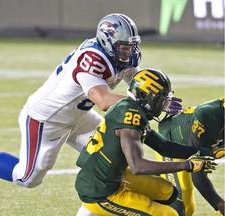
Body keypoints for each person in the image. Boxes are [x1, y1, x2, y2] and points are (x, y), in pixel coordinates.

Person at [0, 13, 145, 186]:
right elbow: (103, 100)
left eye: (131, 47)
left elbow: (137, 81)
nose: (128, 52)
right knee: (27, 178)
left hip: (79, 116)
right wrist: (144, 103)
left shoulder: (119, 55)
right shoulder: (93, 59)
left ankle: (95, 207)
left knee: (117, 152)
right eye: (123, 47)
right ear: (106, 42)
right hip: (47, 119)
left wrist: (161, 97)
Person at [74, 68, 217, 216]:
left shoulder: (132, 107)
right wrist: (188, 165)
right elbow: (138, 166)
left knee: (168, 192)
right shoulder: (130, 116)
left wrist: (208, 152)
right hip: (100, 191)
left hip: (111, 176)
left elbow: (164, 147)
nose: (164, 105)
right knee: (169, 214)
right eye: (160, 99)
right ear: (145, 96)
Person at [155, 97, 225, 215]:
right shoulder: (207, 118)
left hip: (197, 146)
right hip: (173, 144)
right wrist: (220, 204)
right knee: (182, 206)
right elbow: (198, 173)